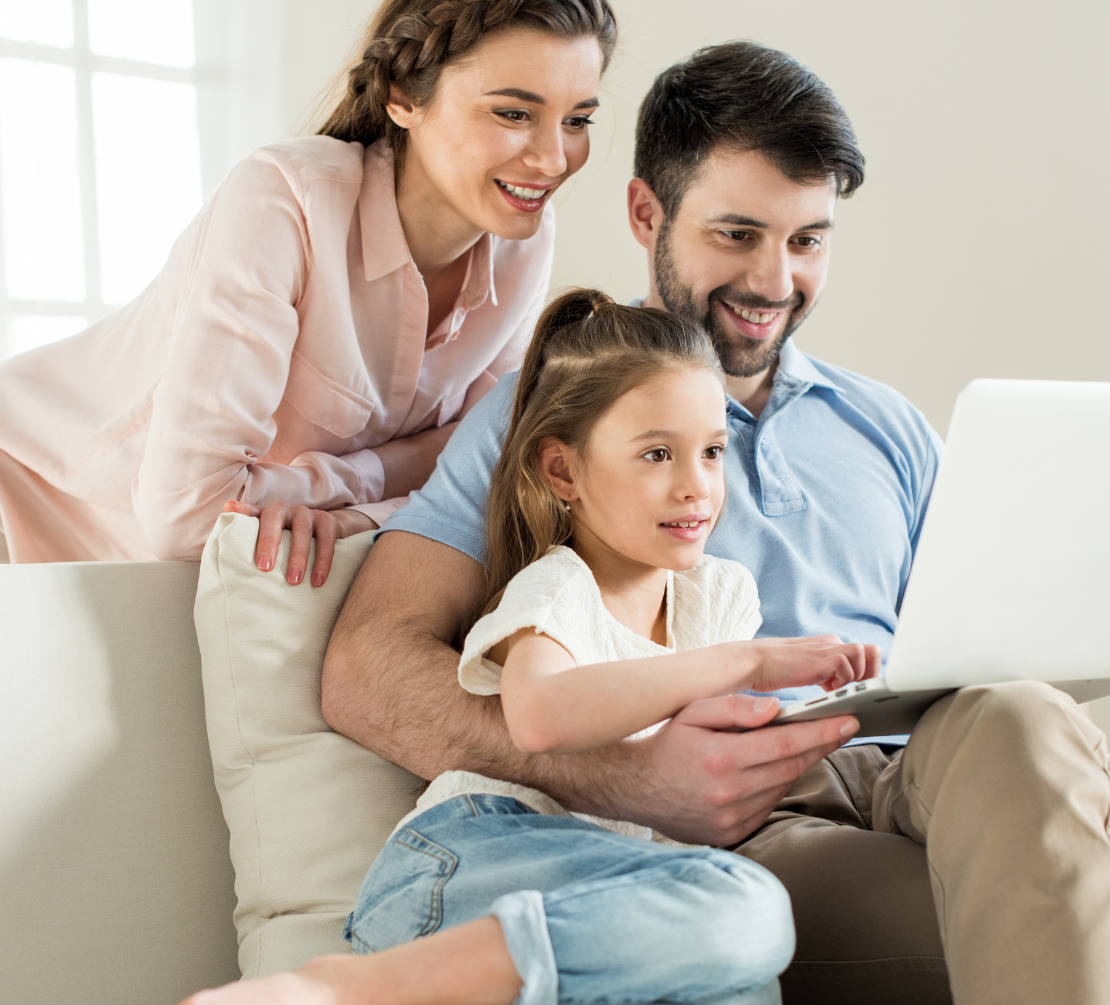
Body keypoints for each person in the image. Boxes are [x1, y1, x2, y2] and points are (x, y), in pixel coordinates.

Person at [319, 42, 1110, 1005]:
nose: (772, 280)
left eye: (807, 240)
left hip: (922, 771)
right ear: (646, 214)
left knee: (1024, 709)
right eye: (738, 234)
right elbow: (364, 672)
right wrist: (631, 782)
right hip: (758, 811)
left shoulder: (885, 425)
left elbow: (978, 649)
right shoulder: (557, 415)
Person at [0, 0, 615, 578]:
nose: (553, 158)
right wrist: (373, 483)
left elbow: (479, 478)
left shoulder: (522, 243)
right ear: (401, 97)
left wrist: (331, 505)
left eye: (577, 118)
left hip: (170, 561)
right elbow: (186, 518)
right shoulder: (285, 200)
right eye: (513, 113)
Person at [202, 290, 878, 1005]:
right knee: (748, 904)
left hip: (590, 894)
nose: (696, 486)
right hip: (460, 865)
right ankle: (350, 989)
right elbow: (539, 716)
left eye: (712, 452)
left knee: (738, 971)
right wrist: (744, 664)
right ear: (563, 473)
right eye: (657, 454)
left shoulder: (723, 594)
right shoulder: (559, 587)